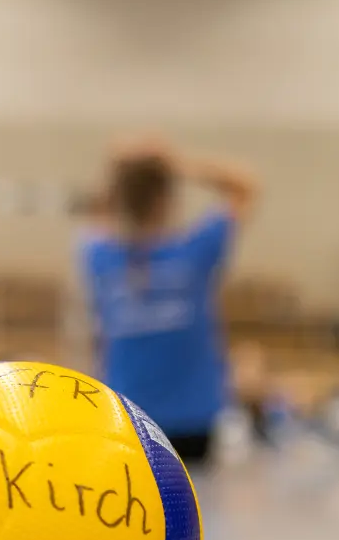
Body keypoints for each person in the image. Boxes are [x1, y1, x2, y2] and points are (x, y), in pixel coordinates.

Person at [78, 135, 260, 464]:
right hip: (186, 416)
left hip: (132, 414)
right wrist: (179, 164)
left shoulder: (99, 256)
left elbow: (95, 209)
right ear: (167, 199)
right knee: (195, 508)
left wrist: (120, 169)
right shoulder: (195, 252)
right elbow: (245, 187)